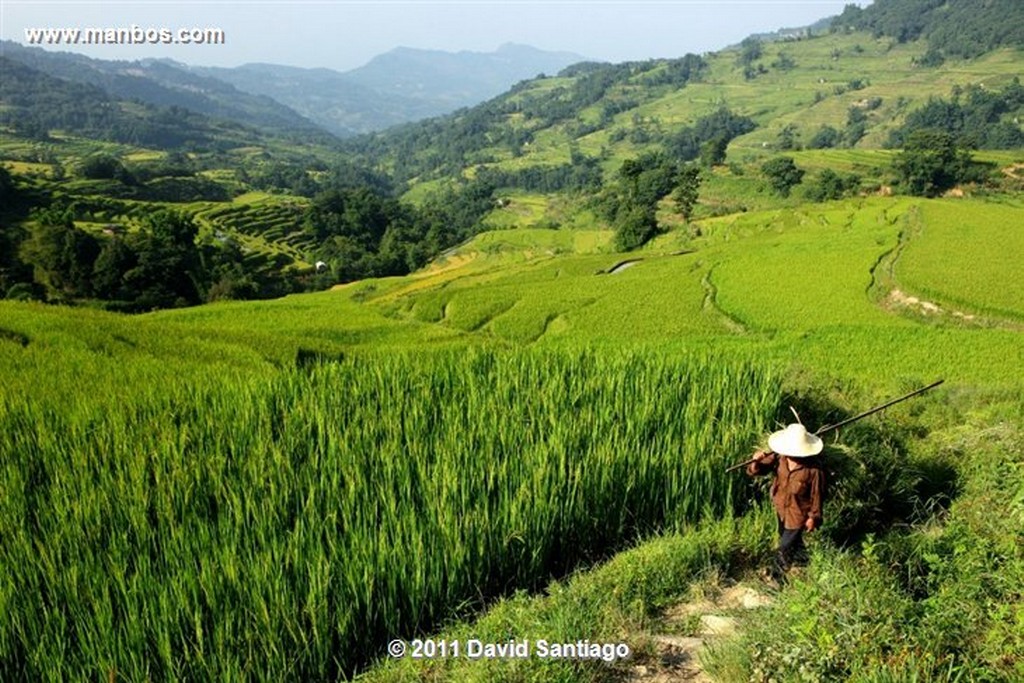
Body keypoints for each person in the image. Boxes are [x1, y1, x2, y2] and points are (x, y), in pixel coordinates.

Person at [746, 423, 825, 580]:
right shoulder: (778, 458)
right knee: (785, 536)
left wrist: (813, 517)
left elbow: (818, 495)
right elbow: (756, 471)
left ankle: (777, 576)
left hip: (799, 512)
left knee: (784, 546)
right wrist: (756, 460)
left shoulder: (814, 470)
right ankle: (803, 560)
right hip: (781, 507)